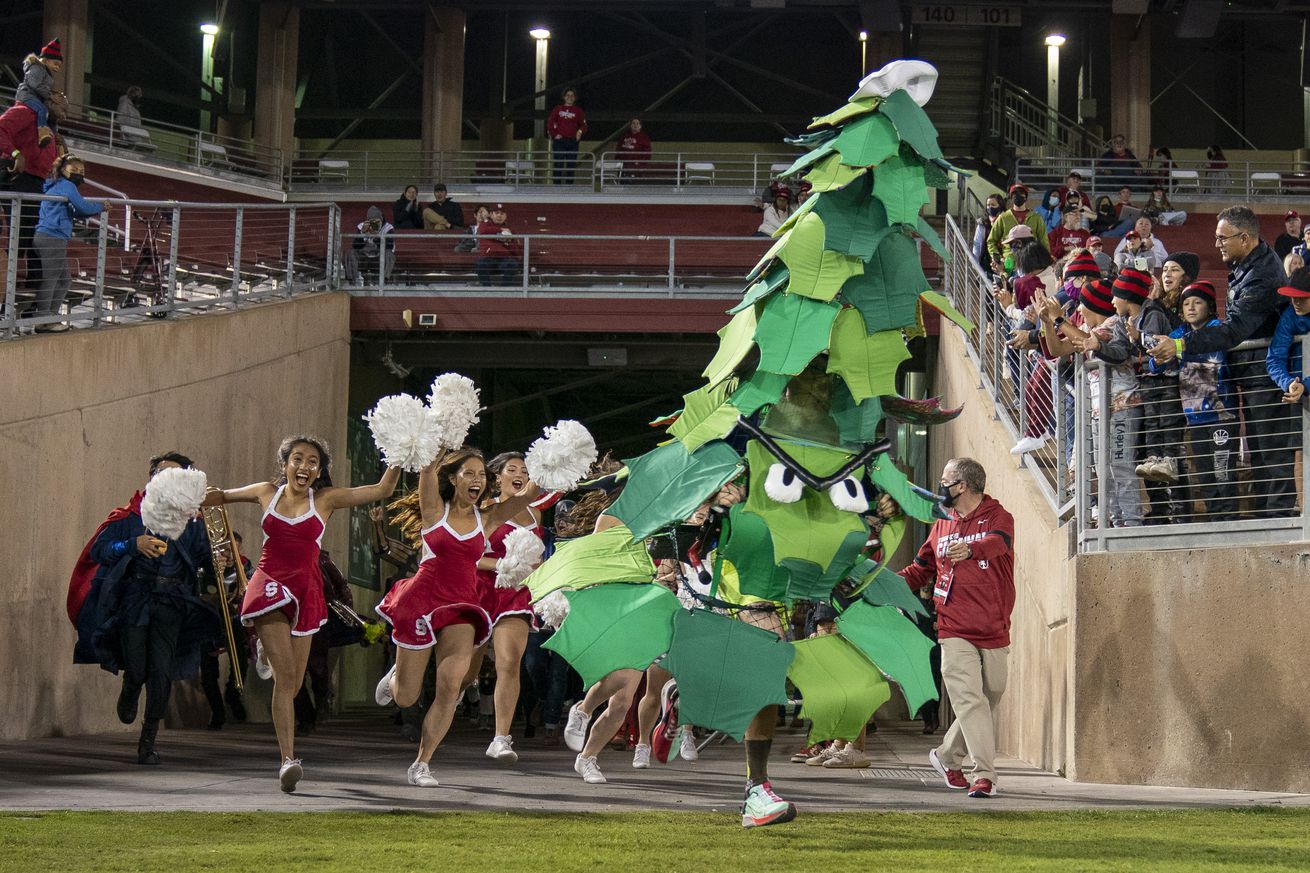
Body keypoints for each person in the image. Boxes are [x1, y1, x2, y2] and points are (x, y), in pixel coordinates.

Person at [205, 435, 400, 792]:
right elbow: (218, 497)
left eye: (313, 462)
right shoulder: (266, 492)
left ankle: (266, 653)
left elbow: (383, 488)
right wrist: (181, 492)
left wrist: (405, 449)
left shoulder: (325, 499)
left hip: (306, 591)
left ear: (319, 470)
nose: (305, 467)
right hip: (269, 584)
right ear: (285, 464)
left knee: (293, 683)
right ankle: (287, 760)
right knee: (286, 674)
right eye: (298, 459)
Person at [372, 449, 540, 788]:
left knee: (451, 685)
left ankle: (422, 763)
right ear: (452, 478)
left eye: (482, 475)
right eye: (469, 473)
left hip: (462, 605)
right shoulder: (435, 508)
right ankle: (395, 678)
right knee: (406, 696)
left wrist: (557, 457)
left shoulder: (488, 518)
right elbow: (427, 469)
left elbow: (528, 494)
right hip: (422, 599)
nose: (477, 480)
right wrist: (434, 442)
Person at [1148, 206, 1296, 517]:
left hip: (1267, 377)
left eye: (1221, 238)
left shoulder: (1262, 275)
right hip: (1255, 375)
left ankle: (1277, 521)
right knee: (1260, 454)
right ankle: (1266, 521)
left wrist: (1179, 344)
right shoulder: (1248, 265)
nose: (1217, 244)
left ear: (1244, 238)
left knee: (1272, 455)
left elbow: (1234, 331)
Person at [76, 452, 221, 765]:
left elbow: (205, 560)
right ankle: (130, 688)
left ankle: (148, 741)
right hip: (134, 599)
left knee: (161, 672)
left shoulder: (192, 523)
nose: (166, 478)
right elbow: (100, 550)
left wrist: (219, 564)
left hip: (173, 603)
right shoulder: (129, 515)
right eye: (160, 472)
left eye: (175, 474)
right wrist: (133, 544)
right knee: (138, 667)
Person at [899, 458, 1015, 799]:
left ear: (961, 485)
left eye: (945, 479)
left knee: (989, 694)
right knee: (969, 699)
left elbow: (999, 543)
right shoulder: (942, 523)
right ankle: (985, 776)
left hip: (994, 626)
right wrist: (885, 585)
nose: (940, 485)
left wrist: (973, 549)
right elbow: (920, 569)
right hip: (952, 627)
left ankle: (947, 757)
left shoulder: (998, 516)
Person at [466, 452, 545, 765]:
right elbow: (468, 556)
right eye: (512, 469)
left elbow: (536, 558)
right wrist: (503, 563)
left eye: (524, 470)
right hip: (480, 590)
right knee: (464, 673)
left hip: (515, 594)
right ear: (496, 477)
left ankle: (501, 738)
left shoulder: (536, 514)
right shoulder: (485, 511)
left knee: (509, 663)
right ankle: (402, 675)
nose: (519, 474)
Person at [1150, 281, 1238, 521]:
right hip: (1196, 419)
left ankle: (1230, 523)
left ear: (1209, 306)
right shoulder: (1179, 334)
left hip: (1222, 416)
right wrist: (1158, 354)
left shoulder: (1218, 328)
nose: (1190, 307)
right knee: (1206, 477)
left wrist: (1179, 350)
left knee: (1224, 474)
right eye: (1186, 303)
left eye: (1197, 302)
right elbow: (1154, 364)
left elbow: (1218, 351)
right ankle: (1215, 522)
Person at [1062, 279, 1144, 526]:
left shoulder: (1113, 323)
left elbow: (1089, 341)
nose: (1078, 310)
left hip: (1122, 405)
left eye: (1081, 305)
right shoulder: (1096, 330)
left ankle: (1131, 524)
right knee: (1104, 469)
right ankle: (1117, 522)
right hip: (1100, 409)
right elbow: (1061, 348)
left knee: (1120, 466)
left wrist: (1058, 320)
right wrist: (1049, 321)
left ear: (1093, 305)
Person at [31, 153, 106, 331]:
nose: (80, 174)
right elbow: (83, 206)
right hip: (51, 237)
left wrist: (96, 209)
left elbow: (76, 212)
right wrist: (101, 206)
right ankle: (43, 319)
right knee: (52, 278)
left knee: (64, 280)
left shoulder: (59, 185)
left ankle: (51, 316)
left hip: (50, 237)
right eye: (76, 170)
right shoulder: (66, 185)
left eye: (82, 171)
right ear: (65, 171)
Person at [0, 91, 64, 299]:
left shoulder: (51, 131)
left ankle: (33, 297)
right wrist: (15, 153)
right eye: (61, 103)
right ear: (50, 100)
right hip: (18, 178)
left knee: (34, 241)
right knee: (20, 240)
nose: (64, 110)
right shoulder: (27, 111)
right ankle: (5, 296)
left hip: (38, 185)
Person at [199, 530, 252, 731]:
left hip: (234, 619)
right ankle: (217, 713)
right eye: (226, 551)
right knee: (208, 671)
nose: (230, 556)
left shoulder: (245, 567)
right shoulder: (207, 567)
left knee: (240, 663)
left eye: (235, 551)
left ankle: (233, 695)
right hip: (210, 621)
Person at [1267, 267, 1310, 406]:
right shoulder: (1289, 316)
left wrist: (1306, 385)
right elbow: (1275, 358)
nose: (1296, 302)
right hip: (1300, 394)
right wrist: (1289, 383)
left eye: (1302, 298)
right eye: (1293, 297)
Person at [985, 184, 1049, 273]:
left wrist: (1045, 261)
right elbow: (991, 241)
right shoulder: (1003, 217)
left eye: (1021, 194)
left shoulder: (1036, 217)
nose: (1018, 197)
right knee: (1008, 284)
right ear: (1011, 197)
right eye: (1015, 194)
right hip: (1009, 262)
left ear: (1026, 197)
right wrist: (998, 259)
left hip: (1031, 261)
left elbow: (1044, 241)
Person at [14, 39, 61, 146]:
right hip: (27, 95)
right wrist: (50, 95)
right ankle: (42, 132)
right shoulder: (37, 68)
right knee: (42, 109)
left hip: (34, 96)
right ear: (46, 60)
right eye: (56, 63)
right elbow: (35, 84)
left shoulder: (44, 71)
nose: (57, 68)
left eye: (59, 66)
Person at [344, 206, 396, 284]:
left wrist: (375, 237)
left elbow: (389, 246)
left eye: (377, 221)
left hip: (379, 259)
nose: (375, 224)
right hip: (364, 258)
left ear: (381, 220)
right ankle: (352, 281)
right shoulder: (362, 226)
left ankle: (384, 281)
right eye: (373, 222)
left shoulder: (388, 228)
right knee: (350, 252)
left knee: (390, 254)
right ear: (368, 221)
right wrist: (362, 233)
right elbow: (355, 246)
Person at [548, 87, 587, 185]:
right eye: (568, 95)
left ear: (575, 98)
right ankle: (557, 186)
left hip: (572, 141)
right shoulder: (558, 109)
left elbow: (584, 125)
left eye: (572, 96)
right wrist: (554, 134)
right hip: (559, 141)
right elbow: (550, 122)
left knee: (571, 165)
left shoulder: (578, 111)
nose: (570, 97)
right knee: (558, 164)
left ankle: (569, 186)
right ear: (564, 97)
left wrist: (580, 132)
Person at [475, 204, 519, 287]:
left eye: (502, 214)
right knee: (481, 265)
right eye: (497, 213)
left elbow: (514, 246)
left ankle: (503, 290)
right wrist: (500, 229)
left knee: (512, 264)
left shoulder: (510, 229)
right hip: (487, 258)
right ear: (491, 214)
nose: (499, 215)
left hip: (503, 259)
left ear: (505, 216)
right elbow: (483, 230)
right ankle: (487, 290)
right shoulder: (485, 224)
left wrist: (509, 243)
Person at [617, 118, 652, 182]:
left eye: (637, 123)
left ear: (640, 126)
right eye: (633, 123)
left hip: (636, 168)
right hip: (623, 167)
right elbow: (618, 150)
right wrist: (617, 161)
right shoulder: (624, 137)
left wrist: (640, 163)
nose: (635, 125)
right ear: (630, 125)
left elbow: (647, 153)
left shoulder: (644, 138)